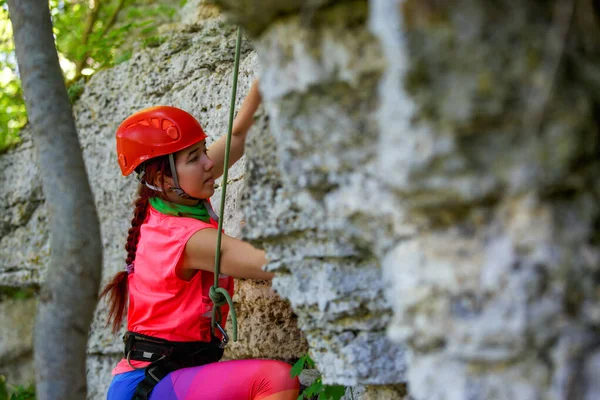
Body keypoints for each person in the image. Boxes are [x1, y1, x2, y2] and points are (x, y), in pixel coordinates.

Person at [101, 80, 300, 400]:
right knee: (274, 379)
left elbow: (236, 138)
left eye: (204, 150)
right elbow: (274, 263)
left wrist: (264, 81)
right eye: (194, 157)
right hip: (153, 386)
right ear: (162, 178)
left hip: (161, 380)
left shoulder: (171, 204)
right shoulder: (186, 239)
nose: (209, 163)